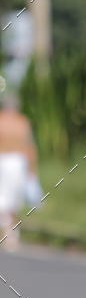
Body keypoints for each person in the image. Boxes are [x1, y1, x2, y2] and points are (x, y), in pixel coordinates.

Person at [0, 92, 39, 252]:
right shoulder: (22, 122)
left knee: (7, 198)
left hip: (8, 162)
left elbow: (29, 147)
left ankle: (9, 231)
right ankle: (11, 232)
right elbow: (30, 147)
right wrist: (32, 169)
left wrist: (31, 169)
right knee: (11, 199)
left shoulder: (6, 121)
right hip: (15, 163)